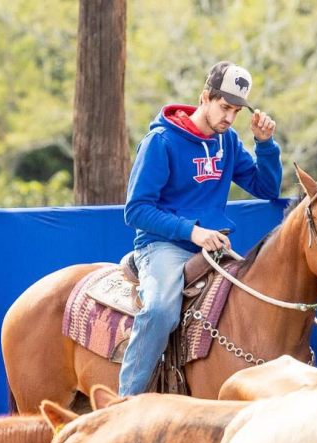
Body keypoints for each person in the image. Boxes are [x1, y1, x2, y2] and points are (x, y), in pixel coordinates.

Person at [119, 61, 282, 396]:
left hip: (213, 247)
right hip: (162, 246)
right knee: (161, 310)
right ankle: (126, 401)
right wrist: (193, 232)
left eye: (235, 111)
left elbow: (266, 188)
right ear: (204, 97)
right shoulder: (161, 142)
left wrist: (264, 145)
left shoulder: (230, 142)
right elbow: (136, 210)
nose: (228, 117)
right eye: (224, 107)